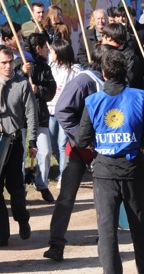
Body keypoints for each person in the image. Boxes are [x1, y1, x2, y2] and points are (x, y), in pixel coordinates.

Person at [76, 50, 144, 274]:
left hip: (104, 172)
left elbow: (81, 140)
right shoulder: (139, 96)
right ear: (125, 72)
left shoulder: (93, 101)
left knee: (107, 233)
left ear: (104, 73)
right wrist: (139, 136)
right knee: (142, 228)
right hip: (133, 169)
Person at [43, 44, 111, 262]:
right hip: (78, 151)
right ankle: (56, 244)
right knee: (66, 196)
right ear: (103, 63)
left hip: (104, 151)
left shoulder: (111, 81)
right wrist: (81, 139)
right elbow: (62, 110)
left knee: (105, 197)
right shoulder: (83, 81)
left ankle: (106, 242)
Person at [0, 45, 37, 248]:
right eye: (3, 62)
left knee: (15, 187)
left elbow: (31, 114)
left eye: (11, 62)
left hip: (13, 141)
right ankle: (1, 234)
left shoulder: (22, 83)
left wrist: (32, 141)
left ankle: (22, 219)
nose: (8, 66)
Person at [22, 33, 57, 203]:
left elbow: (51, 91)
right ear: (38, 48)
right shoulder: (20, 64)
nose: (47, 51)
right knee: (20, 155)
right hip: (21, 116)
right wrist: (22, 74)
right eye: (45, 48)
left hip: (40, 115)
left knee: (45, 151)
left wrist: (39, 90)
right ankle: (20, 187)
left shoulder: (45, 68)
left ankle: (42, 183)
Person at [47, 39, 81, 182]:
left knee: (62, 143)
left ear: (60, 53)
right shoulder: (51, 67)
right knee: (51, 142)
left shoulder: (75, 70)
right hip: (51, 110)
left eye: (53, 51)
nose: (51, 54)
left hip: (66, 112)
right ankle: (63, 163)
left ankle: (63, 174)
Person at [101, 23, 144, 89]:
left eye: (103, 36)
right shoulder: (109, 51)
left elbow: (128, 80)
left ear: (109, 38)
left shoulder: (129, 56)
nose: (101, 38)